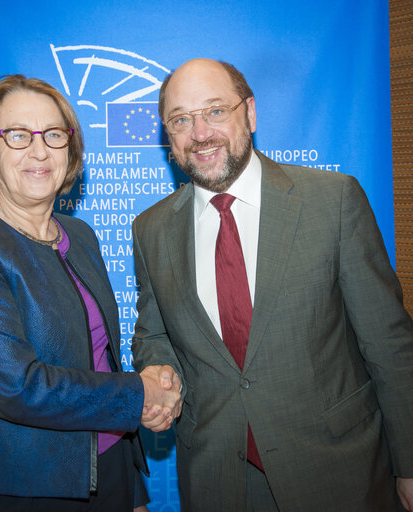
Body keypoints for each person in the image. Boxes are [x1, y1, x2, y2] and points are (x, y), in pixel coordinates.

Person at [131, 58, 413, 512]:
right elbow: (155, 333)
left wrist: (410, 464)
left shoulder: (333, 200)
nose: (200, 132)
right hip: (217, 478)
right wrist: (157, 372)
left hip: (338, 471)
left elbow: (389, 343)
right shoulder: (150, 228)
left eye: (215, 111)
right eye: (181, 119)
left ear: (251, 113)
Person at [0, 74, 180, 512]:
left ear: (71, 150)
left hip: (109, 472)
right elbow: (17, 386)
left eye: (54, 135)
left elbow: (101, 360)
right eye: (19, 135)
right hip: (17, 490)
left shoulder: (80, 235)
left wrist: (130, 488)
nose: (40, 150)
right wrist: (139, 395)